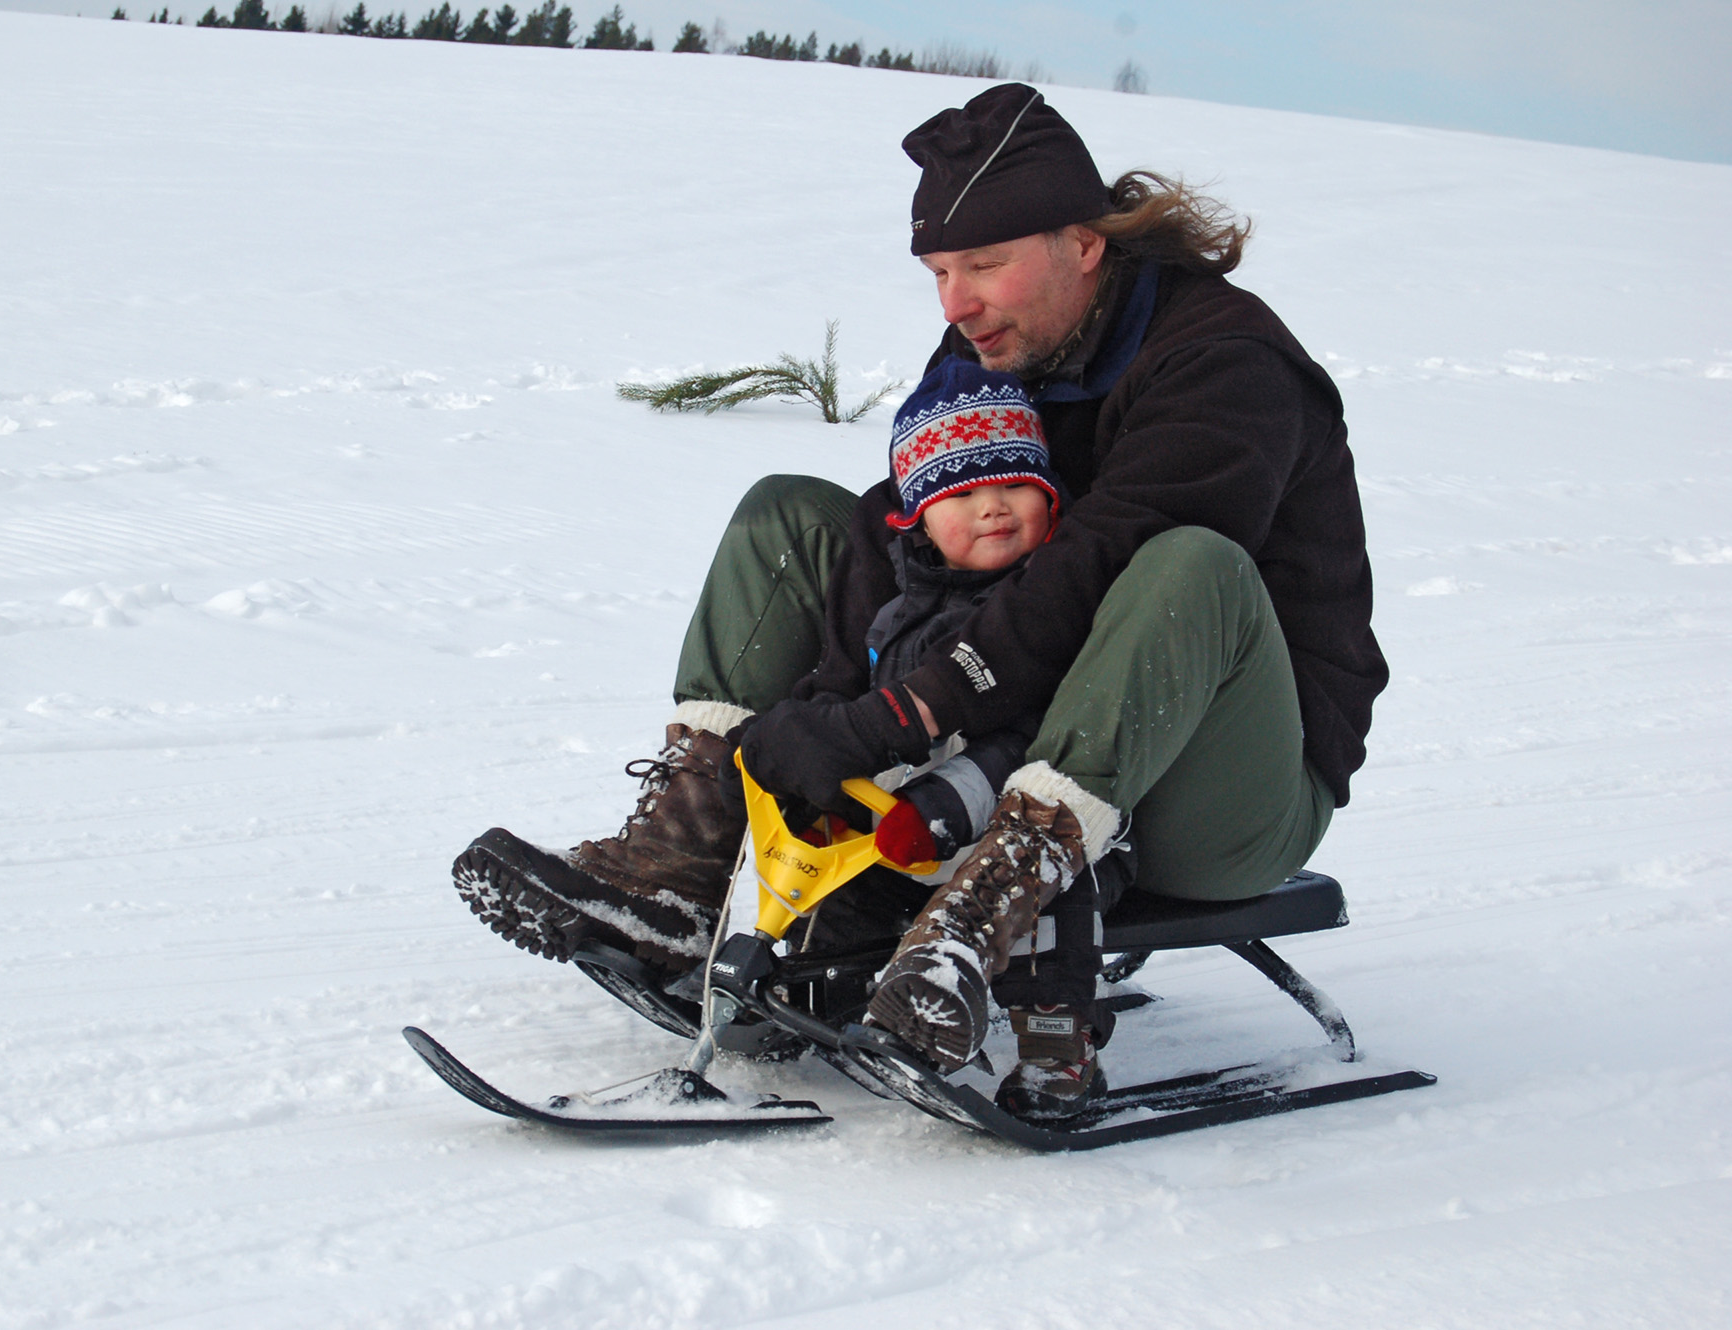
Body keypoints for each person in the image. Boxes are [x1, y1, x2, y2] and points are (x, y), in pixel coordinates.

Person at [453, 82, 1387, 1120]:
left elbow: (1091, 578)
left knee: (1185, 565)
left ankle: (977, 922)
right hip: (1014, 734)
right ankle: (682, 858)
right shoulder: (1000, 341)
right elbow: (921, 537)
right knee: (798, 516)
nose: (954, 304)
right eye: (940, 272)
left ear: (1083, 245)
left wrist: (896, 716)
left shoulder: (1223, 363)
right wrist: (822, 708)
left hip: (1217, 790)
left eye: (983, 265)